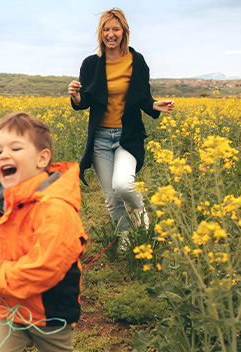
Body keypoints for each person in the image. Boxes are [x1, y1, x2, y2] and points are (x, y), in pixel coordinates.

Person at [0, 111, 87, 352]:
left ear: (42, 159)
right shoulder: (7, 198)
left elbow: (43, 268)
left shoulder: (55, 210)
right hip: (8, 310)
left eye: (15, 149)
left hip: (50, 315)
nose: (4, 156)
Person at [67, 8, 175, 249]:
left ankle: (142, 216)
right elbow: (84, 101)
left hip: (127, 136)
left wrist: (155, 105)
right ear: (101, 33)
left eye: (115, 29)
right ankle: (127, 240)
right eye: (106, 29)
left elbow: (143, 97)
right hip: (100, 139)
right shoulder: (91, 63)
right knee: (112, 199)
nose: (110, 34)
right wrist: (75, 96)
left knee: (123, 185)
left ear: (124, 32)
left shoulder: (136, 61)